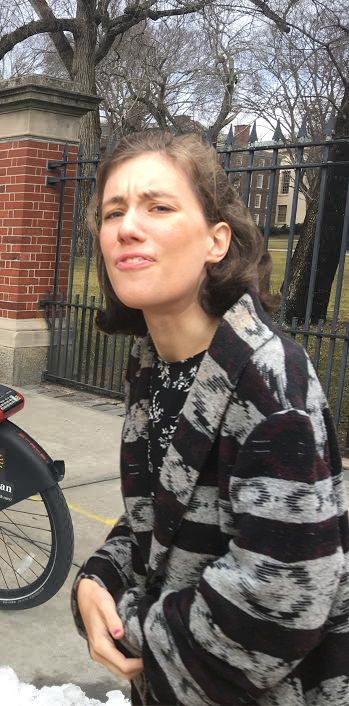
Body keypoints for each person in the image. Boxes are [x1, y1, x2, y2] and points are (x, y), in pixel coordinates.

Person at [71, 130, 349, 705]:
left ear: (216, 241)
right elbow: (162, 525)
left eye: (159, 207)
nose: (126, 227)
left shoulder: (271, 389)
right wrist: (97, 579)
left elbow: (278, 610)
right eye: (113, 211)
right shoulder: (156, 366)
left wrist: (129, 623)